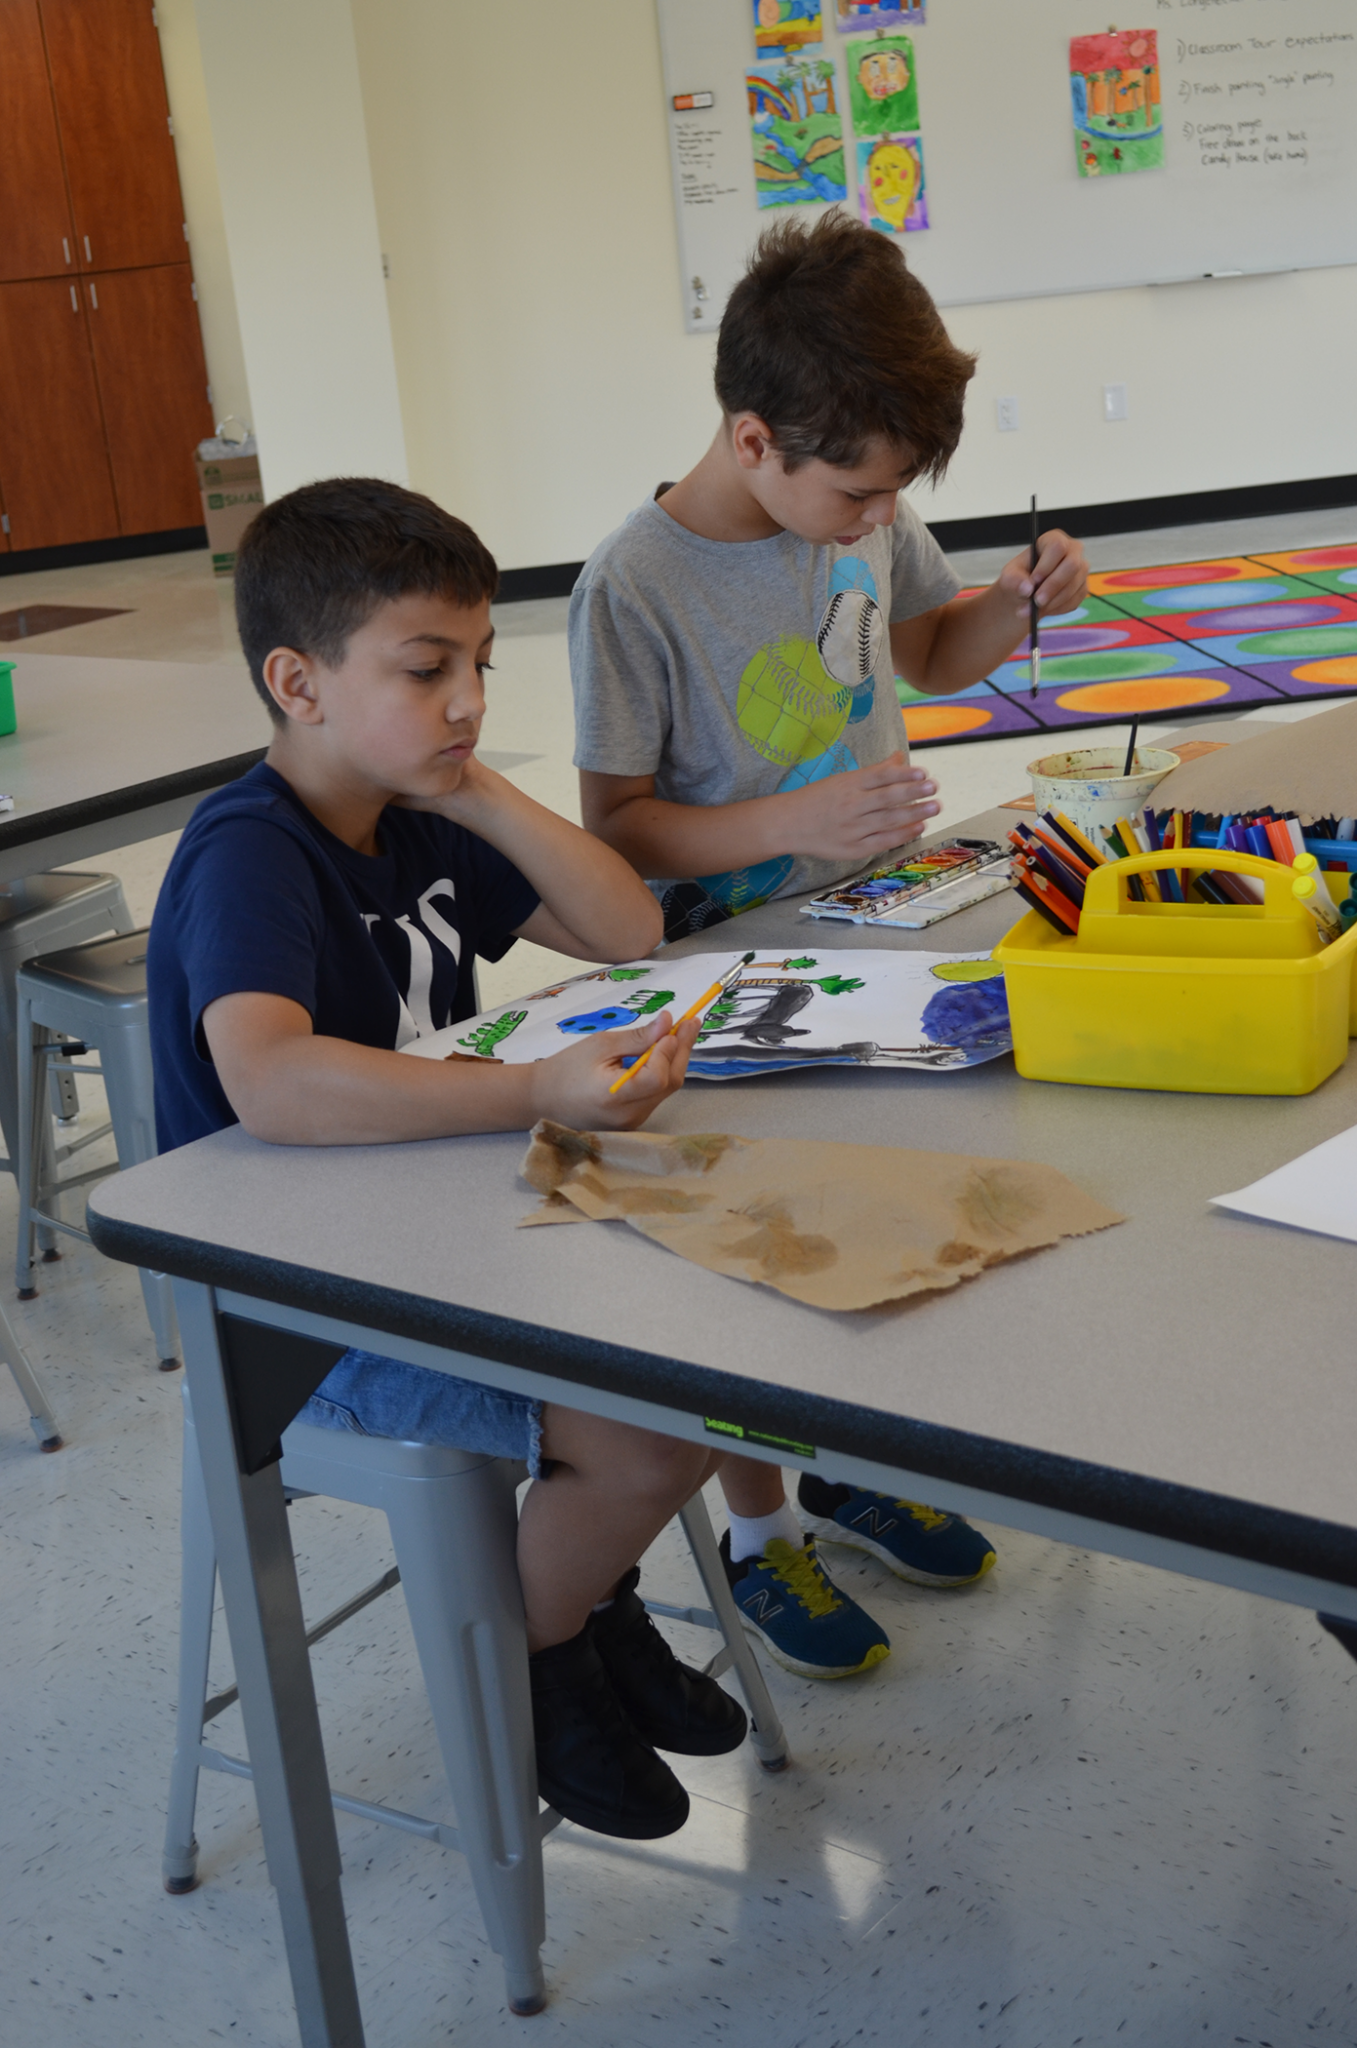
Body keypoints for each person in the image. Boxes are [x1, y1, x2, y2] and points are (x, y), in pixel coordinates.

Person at [148, 477, 763, 1844]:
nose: (469, 697)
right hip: (292, 1307)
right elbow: (271, 1078)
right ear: (298, 684)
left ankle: (587, 1603)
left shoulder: (420, 812)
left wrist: (470, 781)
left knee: (716, 1343)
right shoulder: (250, 849)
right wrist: (531, 1089)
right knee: (652, 1429)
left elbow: (624, 928)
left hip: (429, 1242)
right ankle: (538, 1657)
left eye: (479, 665)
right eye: (428, 669)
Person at [569, 211, 1089, 1681]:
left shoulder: (859, 509)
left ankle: (842, 1459)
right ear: (753, 438)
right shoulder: (635, 582)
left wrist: (1013, 602)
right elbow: (618, 827)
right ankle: (761, 1530)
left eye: (893, 496)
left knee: (878, 1201)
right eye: (856, 493)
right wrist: (802, 816)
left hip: (871, 920)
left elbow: (927, 653)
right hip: (716, 969)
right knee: (751, 1248)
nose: (877, 519)